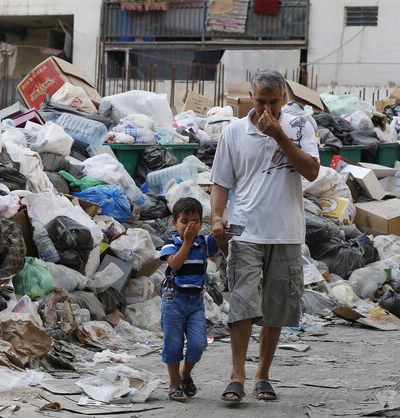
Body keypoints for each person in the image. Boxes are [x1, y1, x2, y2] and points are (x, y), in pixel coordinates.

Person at [210, 69, 320, 402]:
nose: (267, 110)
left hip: (285, 232)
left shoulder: (300, 127)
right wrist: (217, 217)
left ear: (284, 98)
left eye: (273, 102)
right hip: (245, 230)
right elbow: (221, 182)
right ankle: (237, 375)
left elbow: (312, 171)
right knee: (242, 303)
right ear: (250, 97)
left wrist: (280, 137)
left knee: (276, 307)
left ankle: (263, 376)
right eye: (261, 102)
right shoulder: (234, 132)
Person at [158, 197, 218, 402]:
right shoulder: (171, 243)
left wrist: (222, 228)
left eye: (195, 221)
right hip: (173, 299)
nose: (190, 226)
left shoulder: (204, 243)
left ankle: (185, 373)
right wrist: (187, 242)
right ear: (174, 223)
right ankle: (174, 384)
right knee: (173, 343)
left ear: (202, 223)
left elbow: (221, 240)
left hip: (195, 302)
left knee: (198, 343)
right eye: (184, 221)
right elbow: (174, 264)